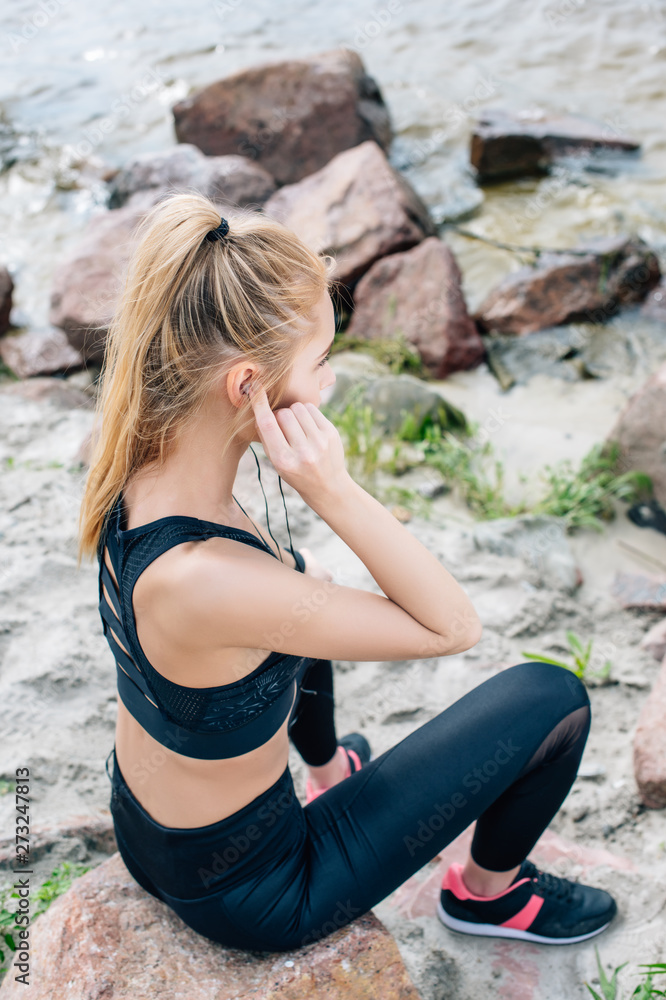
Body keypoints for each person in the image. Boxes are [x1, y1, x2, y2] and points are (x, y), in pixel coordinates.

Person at [78, 191, 617, 953]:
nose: (328, 380)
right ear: (245, 387)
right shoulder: (203, 578)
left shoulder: (139, 466)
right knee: (552, 700)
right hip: (255, 887)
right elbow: (451, 627)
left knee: (295, 589)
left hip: (147, 825)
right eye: (321, 361)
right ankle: (486, 896)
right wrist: (333, 489)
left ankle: (328, 767)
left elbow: (286, 607)